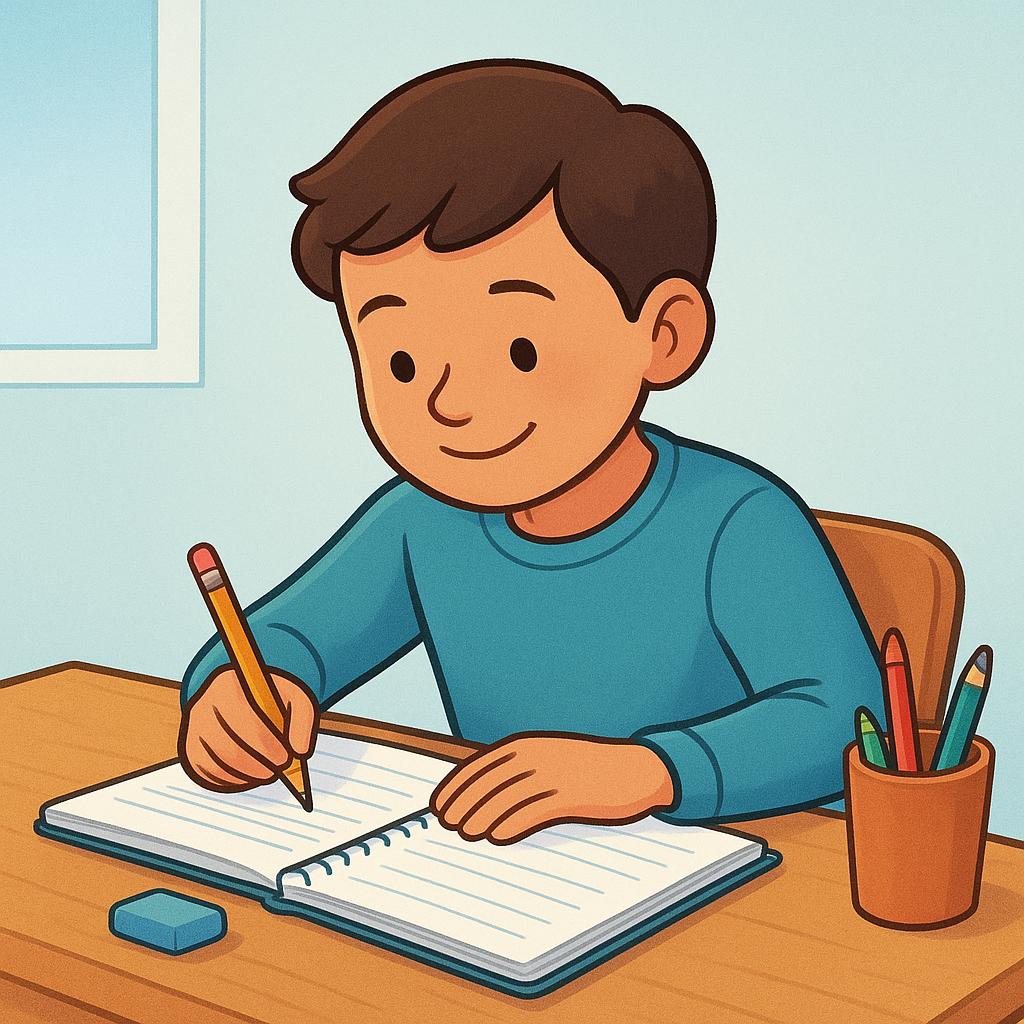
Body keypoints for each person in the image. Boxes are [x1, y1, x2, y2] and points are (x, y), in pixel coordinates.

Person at [180, 60, 881, 845]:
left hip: (734, 893)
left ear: (664, 334)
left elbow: (846, 725)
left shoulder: (737, 522)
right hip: (511, 888)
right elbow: (289, 636)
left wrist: (645, 772)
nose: (446, 402)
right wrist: (243, 694)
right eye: (401, 362)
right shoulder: (423, 522)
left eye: (518, 348)